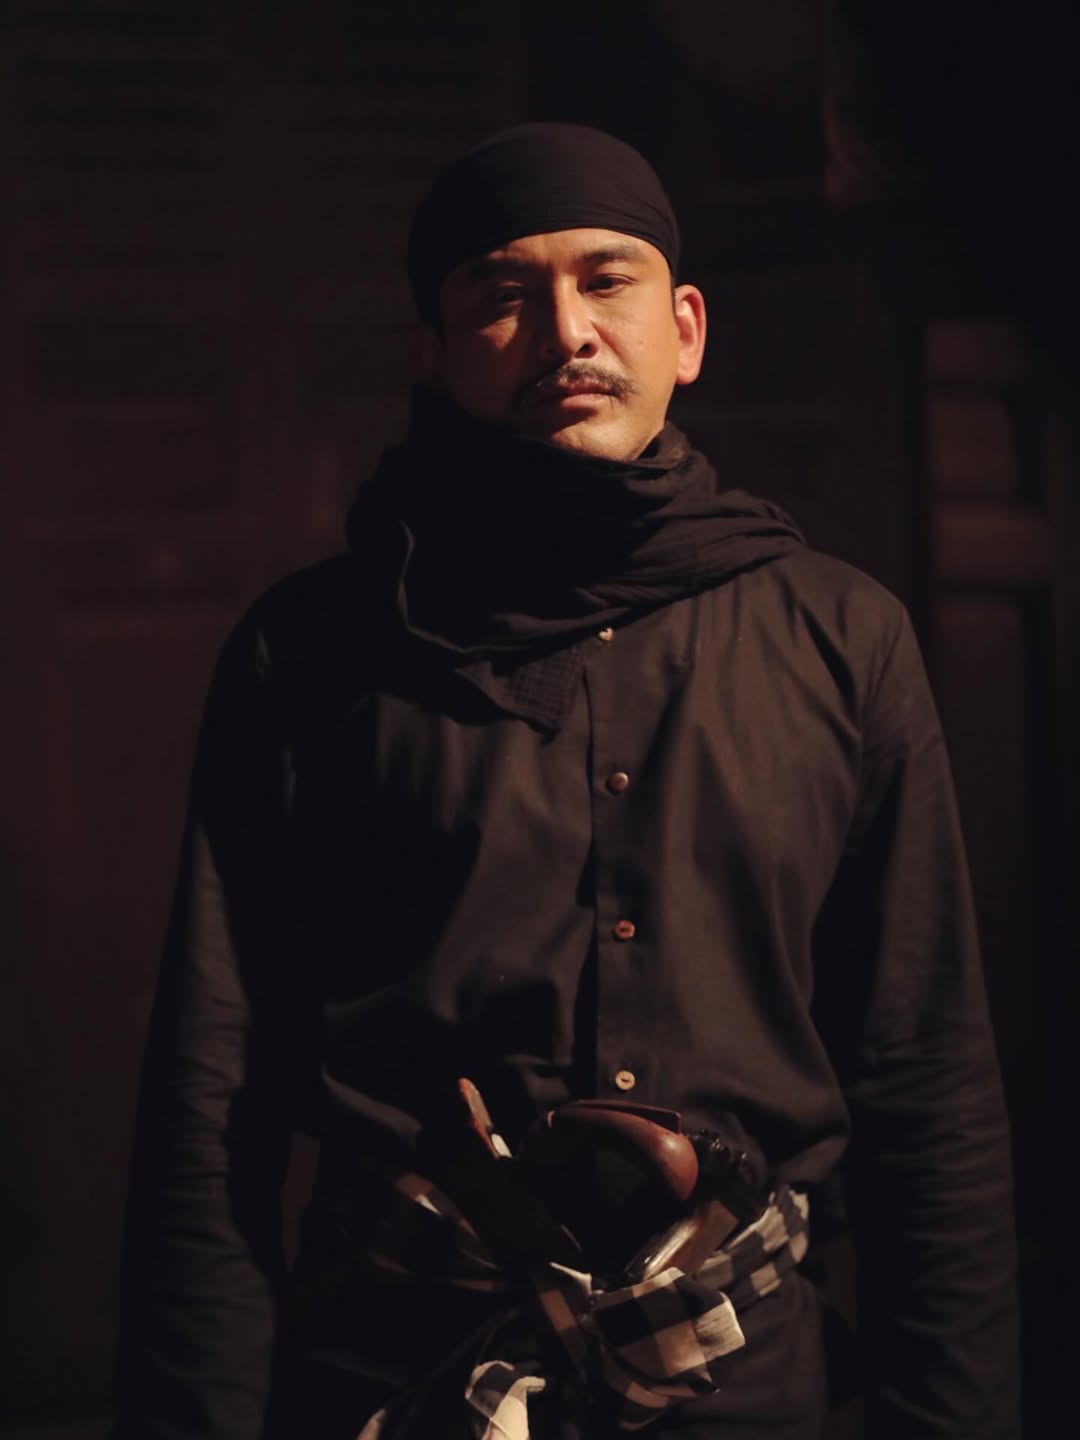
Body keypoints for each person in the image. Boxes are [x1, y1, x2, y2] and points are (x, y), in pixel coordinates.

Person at [115, 124, 1020, 1440]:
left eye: (607, 281)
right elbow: (213, 1095)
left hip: (743, 1389)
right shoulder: (313, 654)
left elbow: (927, 1084)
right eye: (503, 294)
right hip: (396, 1379)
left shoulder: (840, 638)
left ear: (685, 330)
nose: (566, 332)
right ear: (430, 351)